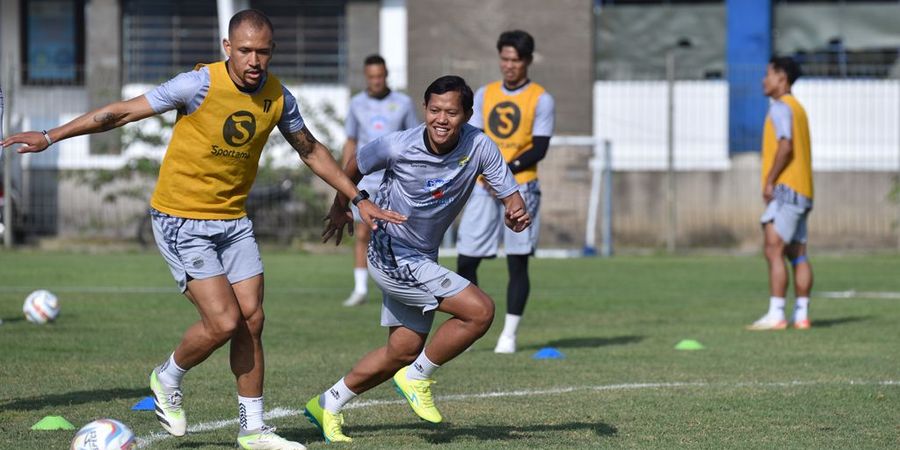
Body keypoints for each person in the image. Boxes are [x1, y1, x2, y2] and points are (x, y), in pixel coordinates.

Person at [2, 9, 403, 449]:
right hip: (181, 220)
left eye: (263, 52)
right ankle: (167, 376)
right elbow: (120, 114)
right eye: (246, 50)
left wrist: (357, 198)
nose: (254, 60)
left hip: (233, 221)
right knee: (224, 321)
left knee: (252, 319)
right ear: (227, 48)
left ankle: (253, 430)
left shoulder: (278, 97)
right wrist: (50, 135)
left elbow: (310, 150)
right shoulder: (199, 84)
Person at [303, 75, 531, 443]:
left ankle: (328, 403)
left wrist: (516, 212)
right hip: (391, 252)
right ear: (424, 109)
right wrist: (339, 207)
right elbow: (353, 165)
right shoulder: (397, 146)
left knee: (403, 349)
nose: (442, 119)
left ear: (468, 115)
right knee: (480, 311)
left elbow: (511, 197)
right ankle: (417, 377)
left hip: (421, 255)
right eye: (435, 110)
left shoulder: (480, 147)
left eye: (452, 112)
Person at [455, 30, 555, 353]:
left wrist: (502, 171)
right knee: (466, 259)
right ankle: (471, 324)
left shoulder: (541, 98)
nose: (509, 65)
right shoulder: (484, 94)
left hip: (522, 187)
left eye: (516, 60)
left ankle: (508, 335)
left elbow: (539, 148)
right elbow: (476, 138)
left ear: (527, 61)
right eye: (505, 59)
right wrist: (487, 172)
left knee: (517, 261)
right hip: (483, 187)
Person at [341, 54, 419, 307]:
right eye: (372, 77)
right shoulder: (356, 104)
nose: (376, 81)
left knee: (399, 230)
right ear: (366, 77)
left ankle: (402, 283)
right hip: (365, 179)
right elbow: (351, 140)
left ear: (386, 76)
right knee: (363, 231)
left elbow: (414, 139)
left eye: (380, 76)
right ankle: (360, 289)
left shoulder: (403, 103)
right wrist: (345, 176)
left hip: (395, 179)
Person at [747, 56, 814, 331]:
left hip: (786, 190)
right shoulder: (799, 108)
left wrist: (770, 181)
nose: (764, 80)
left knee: (773, 249)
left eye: (769, 74)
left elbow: (785, 146)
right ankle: (802, 315)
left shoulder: (780, 108)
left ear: (782, 78)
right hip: (804, 189)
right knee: (797, 254)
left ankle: (776, 314)